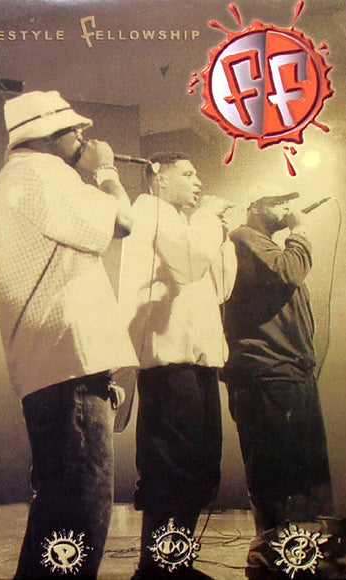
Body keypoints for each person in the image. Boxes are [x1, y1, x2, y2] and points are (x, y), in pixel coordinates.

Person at [0, 90, 138, 579]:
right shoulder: (42, 172)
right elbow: (123, 220)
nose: (84, 137)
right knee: (80, 515)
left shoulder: (17, 178)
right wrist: (107, 170)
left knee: (59, 517)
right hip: (68, 363)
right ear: (48, 134)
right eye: (76, 130)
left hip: (54, 366)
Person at [119, 152, 236, 579]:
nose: (198, 181)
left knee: (200, 466)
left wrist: (221, 233)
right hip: (168, 363)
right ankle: (155, 568)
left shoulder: (186, 225)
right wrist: (207, 218)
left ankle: (176, 562)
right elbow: (188, 265)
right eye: (187, 173)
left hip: (198, 360)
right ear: (160, 179)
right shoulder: (149, 211)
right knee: (170, 467)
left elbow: (220, 288)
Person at [223, 184, 333, 580]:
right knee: (274, 470)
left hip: (290, 372)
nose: (287, 207)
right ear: (254, 205)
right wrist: (299, 232)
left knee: (302, 471)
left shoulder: (268, 245)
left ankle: (298, 552)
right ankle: (270, 556)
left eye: (290, 201)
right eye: (279, 201)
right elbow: (288, 271)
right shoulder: (244, 238)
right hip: (266, 372)